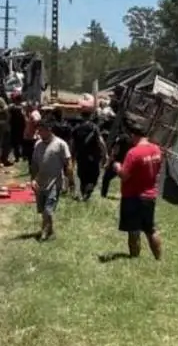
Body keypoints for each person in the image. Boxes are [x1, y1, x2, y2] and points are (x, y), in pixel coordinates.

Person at [112, 117, 163, 260]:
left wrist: (117, 167)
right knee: (150, 229)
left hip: (133, 195)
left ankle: (134, 257)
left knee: (133, 230)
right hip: (150, 195)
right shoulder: (157, 150)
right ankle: (158, 258)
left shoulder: (134, 153)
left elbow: (124, 175)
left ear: (134, 135)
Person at [29, 116, 71, 240]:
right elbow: (34, 164)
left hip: (55, 182)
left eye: (41, 130)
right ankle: (50, 230)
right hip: (40, 182)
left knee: (48, 209)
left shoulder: (60, 144)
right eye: (38, 130)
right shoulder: (38, 144)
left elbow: (68, 163)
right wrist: (33, 180)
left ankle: (44, 233)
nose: (39, 133)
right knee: (43, 210)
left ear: (49, 129)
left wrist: (69, 181)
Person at [70, 106, 106, 201]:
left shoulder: (76, 128)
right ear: (90, 116)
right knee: (94, 175)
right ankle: (88, 190)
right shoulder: (94, 127)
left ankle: (84, 193)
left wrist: (72, 156)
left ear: (81, 116)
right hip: (93, 157)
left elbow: (72, 144)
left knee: (82, 176)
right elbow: (101, 142)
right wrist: (105, 153)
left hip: (81, 157)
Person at [100, 119, 134, 198]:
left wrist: (108, 162)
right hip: (127, 162)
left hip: (117, 162)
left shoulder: (121, 137)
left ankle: (103, 195)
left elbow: (115, 151)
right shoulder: (132, 139)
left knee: (106, 178)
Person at [7, 91, 26, 164]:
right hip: (22, 128)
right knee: (22, 142)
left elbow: (8, 118)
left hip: (14, 128)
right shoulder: (23, 107)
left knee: (16, 144)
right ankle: (23, 157)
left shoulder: (11, 108)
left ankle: (17, 157)